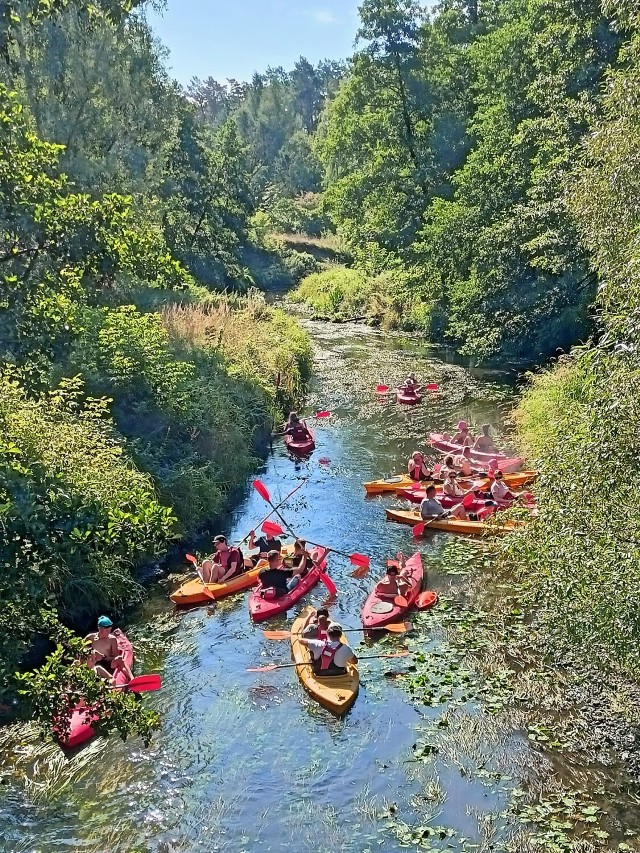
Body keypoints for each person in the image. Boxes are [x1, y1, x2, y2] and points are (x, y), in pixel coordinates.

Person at [84, 616, 132, 682]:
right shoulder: (90, 638)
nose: (108, 632)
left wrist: (103, 657)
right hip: (94, 662)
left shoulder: (112, 639)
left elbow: (115, 656)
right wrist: (93, 655)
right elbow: (83, 651)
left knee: (120, 659)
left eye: (109, 630)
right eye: (106, 630)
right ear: (100, 628)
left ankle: (132, 678)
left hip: (107, 662)